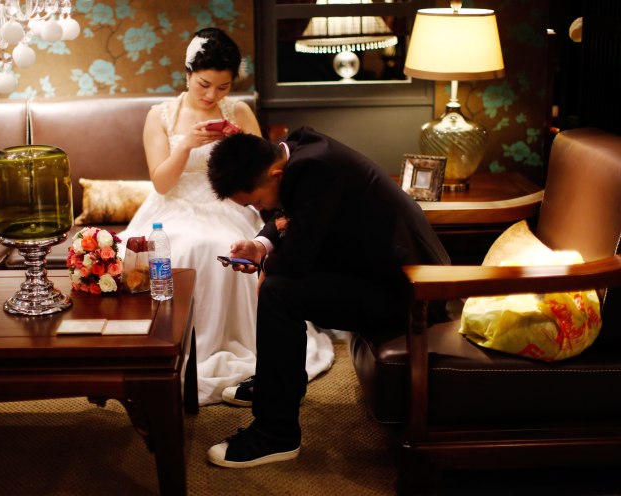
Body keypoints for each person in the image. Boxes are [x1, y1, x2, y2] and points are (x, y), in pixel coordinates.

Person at [205, 127, 450, 467]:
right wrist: (260, 246)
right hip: (377, 272)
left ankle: (276, 435)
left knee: (278, 294)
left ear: (275, 174)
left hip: (411, 291)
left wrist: (268, 268)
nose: (261, 209)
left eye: (257, 202)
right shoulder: (296, 152)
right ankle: (278, 386)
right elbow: (291, 218)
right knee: (278, 286)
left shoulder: (315, 169)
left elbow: (296, 261)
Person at [117, 28, 334, 406]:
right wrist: (186, 144)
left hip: (227, 204)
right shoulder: (161, 116)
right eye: (204, 84)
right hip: (172, 207)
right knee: (180, 246)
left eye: (222, 87)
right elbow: (162, 183)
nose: (211, 95)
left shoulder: (239, 110)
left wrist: (237, 141)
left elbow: (267, 169)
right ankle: (170, 350)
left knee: (222, 247)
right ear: (187, 73)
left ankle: (239, 343)